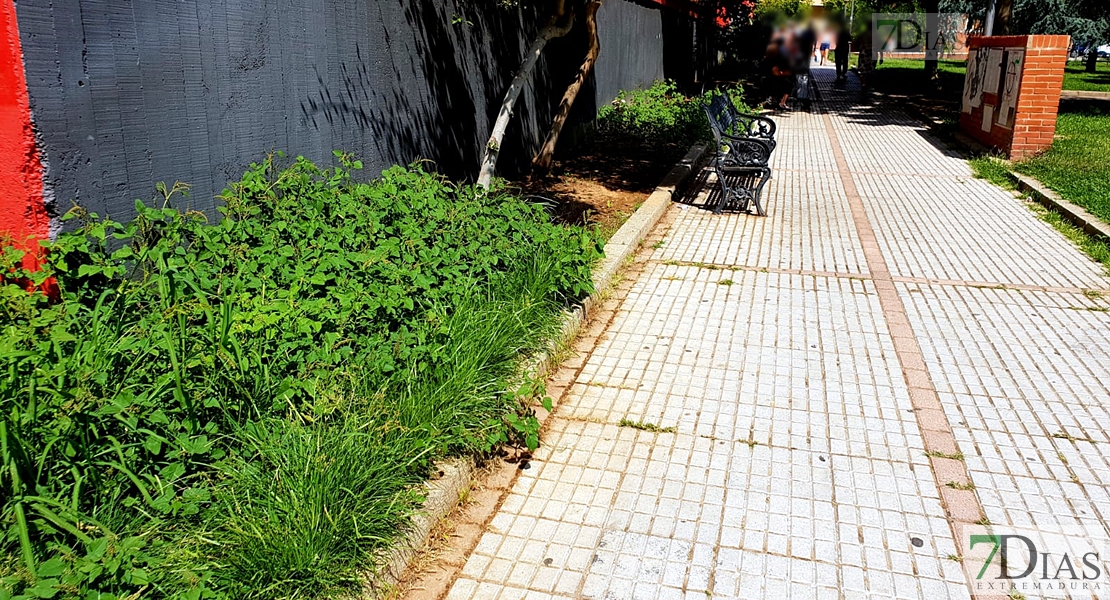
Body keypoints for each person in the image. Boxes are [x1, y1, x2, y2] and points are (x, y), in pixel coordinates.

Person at [761, 37, 793, 110]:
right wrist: (783, 73)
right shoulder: (776, 54)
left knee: (785, 85)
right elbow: (775, 70)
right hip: (777, 74)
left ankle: (778, 102)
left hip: (776, 74)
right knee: (787, 85)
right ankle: (781, 103)